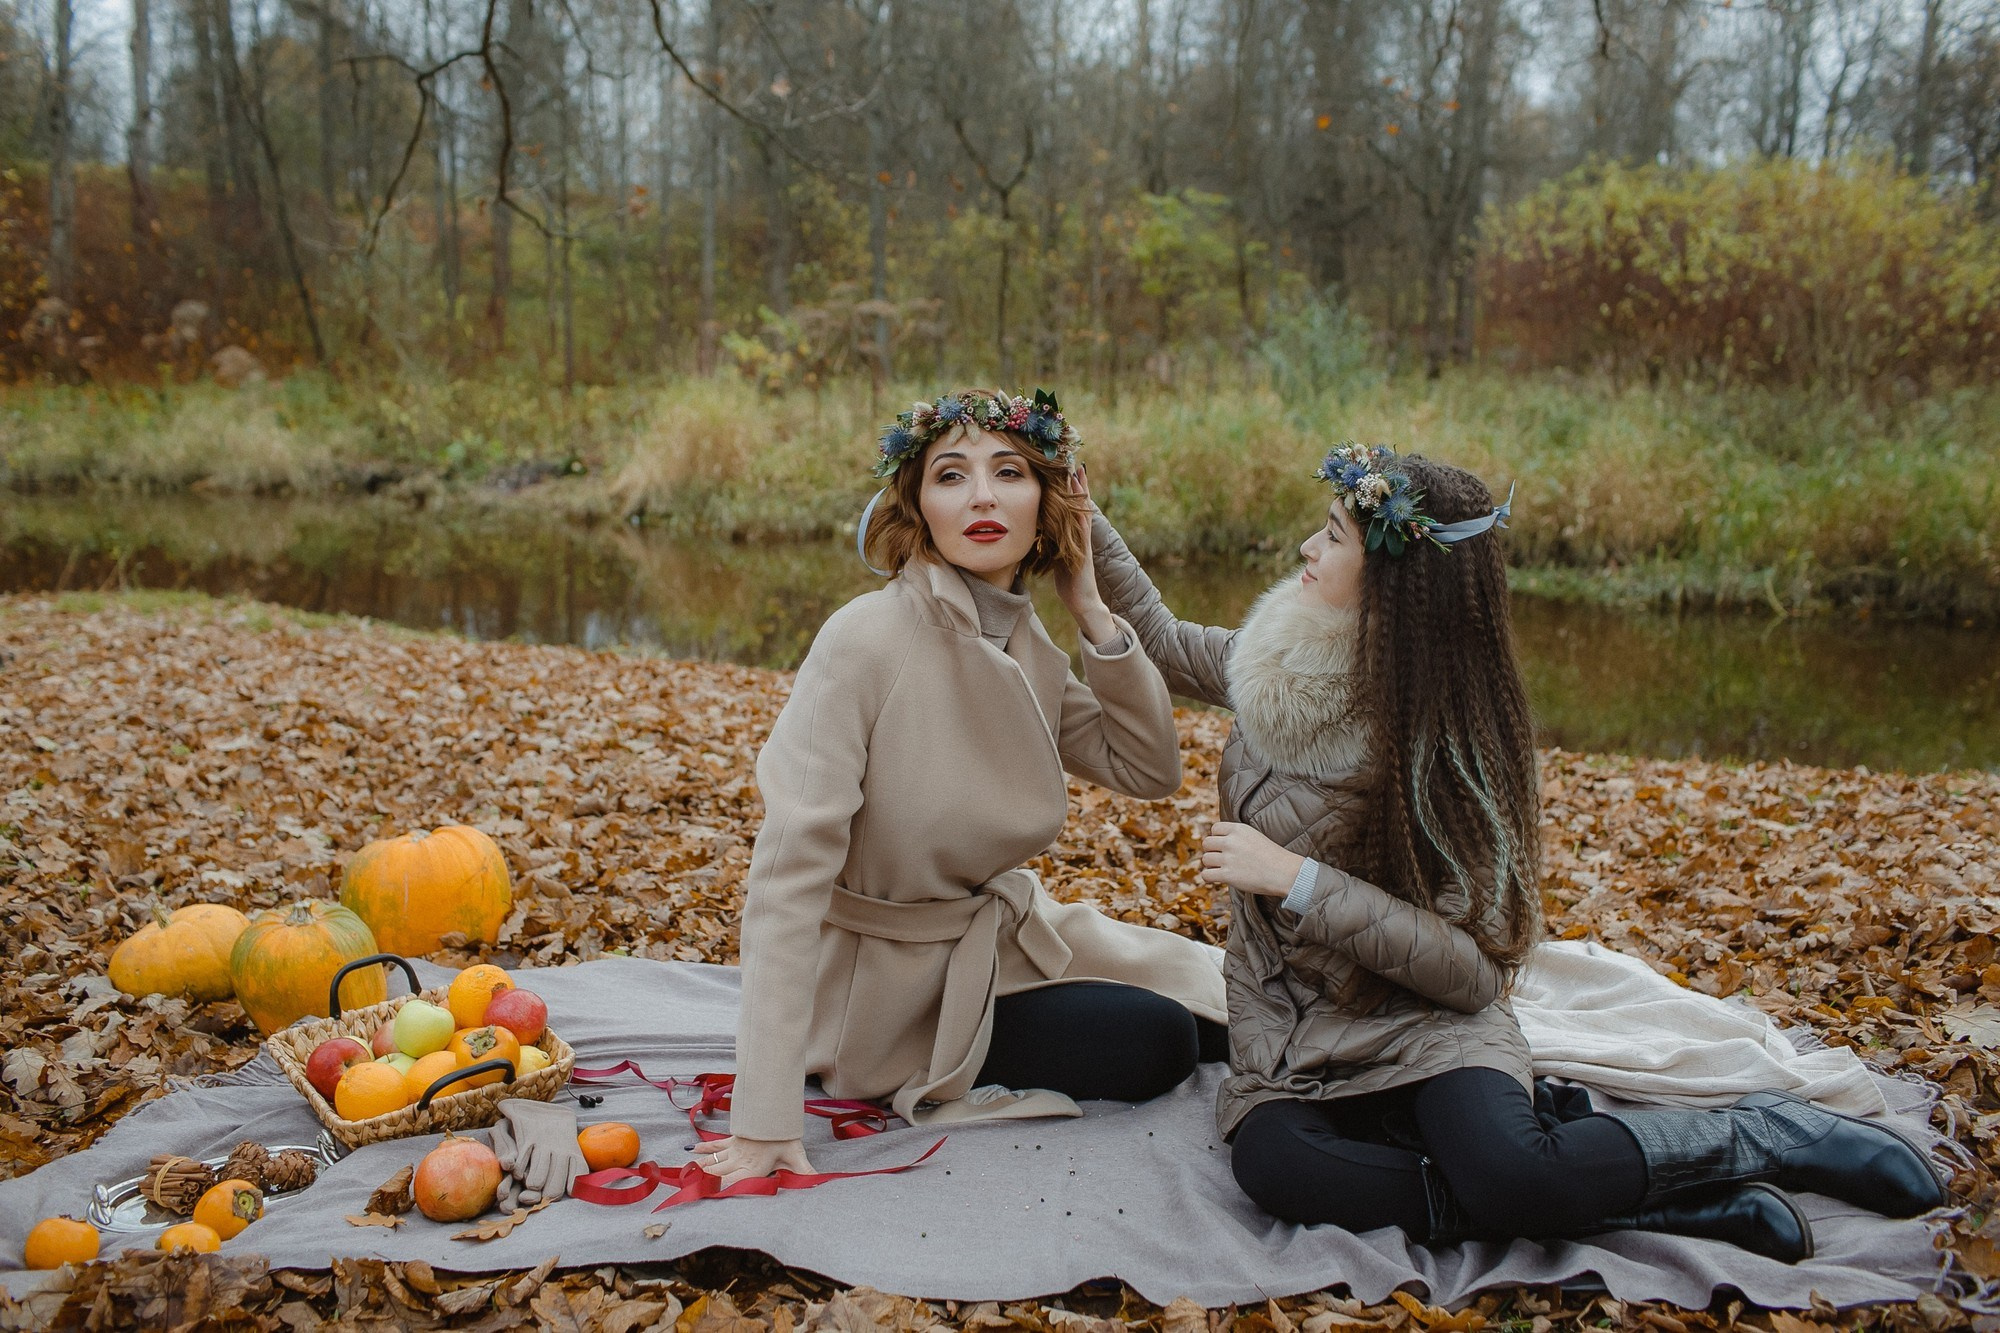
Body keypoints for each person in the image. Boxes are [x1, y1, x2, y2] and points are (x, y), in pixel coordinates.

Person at [1087, 443, 1943, 1261]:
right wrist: (1082, 520)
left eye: (1335, 536)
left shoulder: (1446, 750)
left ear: (1393, 581)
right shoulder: (1272, 661)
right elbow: (1158, 637)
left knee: (1512, 1170)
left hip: (1425, 1026)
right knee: (1275, 1167)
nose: (1307, 547)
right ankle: (1644, 1199)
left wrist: (1299, 880)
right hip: (1295, 1046)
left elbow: (1471, 975)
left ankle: (1761, 1131)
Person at [695, 389, 1227, 1188]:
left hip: (998, 943)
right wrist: (764, 1117)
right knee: (1162, 1040)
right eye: (951, 475)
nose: (981, 495)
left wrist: (1090, 607)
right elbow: (784, 879)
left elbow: (1147, 766)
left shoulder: (1023, 636)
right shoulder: (864, 639)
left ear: (1047, 503)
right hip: (886, 991)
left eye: (1008, 471)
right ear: (918, 507)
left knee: (1234, 1000)